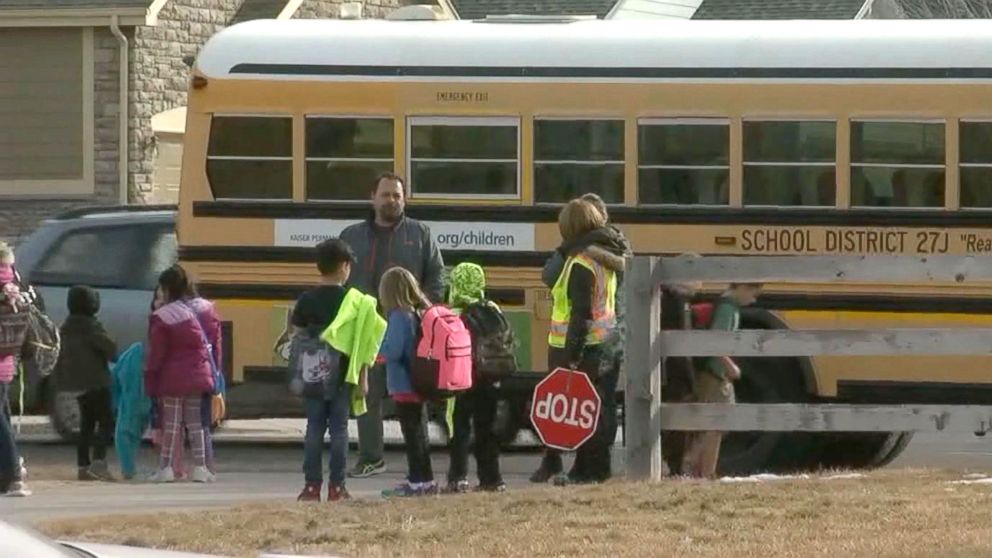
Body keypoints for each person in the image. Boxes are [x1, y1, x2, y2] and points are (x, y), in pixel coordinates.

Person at [340, 172, 445, 479]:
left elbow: (437, 276)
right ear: (372, 198)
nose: (391, 201)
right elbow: (340, 278)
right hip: (366, 331)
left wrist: (425, 313)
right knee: (366, 395)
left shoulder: (420, 234)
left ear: (404, 199)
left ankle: (420, 466)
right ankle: (371, 457)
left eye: (397, 195)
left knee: (413, 399)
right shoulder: (351, 235)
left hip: (409, 331)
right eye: (385, 195)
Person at [532, 195, 631, 484]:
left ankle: (586, 470)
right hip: (607, 342)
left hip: (582, 348)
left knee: (582, 410)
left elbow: (580, 313)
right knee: (601, 408)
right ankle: (594, 468)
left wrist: (572, 355)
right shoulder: (607, 257)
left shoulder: (580, 263)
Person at [291, 239, 364, 502]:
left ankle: (311, 487)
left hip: (312, 375)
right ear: (344, 266)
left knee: (313, 429)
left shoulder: (306, 299)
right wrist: (363, 378)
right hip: (343, 376)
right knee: (340, 431)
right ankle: (337, 486)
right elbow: (361, 345)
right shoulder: (353, 301)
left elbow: (297, 336)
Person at [145, 265, 222, 484]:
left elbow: (157, 354)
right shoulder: (200, 311)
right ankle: (201, 467)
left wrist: (150, 380)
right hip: (199, 376)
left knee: (172, 425)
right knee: (196, 424)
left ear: (167, 288)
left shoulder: (164, 317)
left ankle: (166, 468)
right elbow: (212, 345)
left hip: (171, 379)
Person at [682, 282, 763, 479]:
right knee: (716, 424)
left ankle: (699, 468)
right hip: (715, 375)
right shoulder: (727, 310)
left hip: (716, 374)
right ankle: (698, 467)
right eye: (753, 293)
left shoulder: (726, 306)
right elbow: (716, 343)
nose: (754, 300)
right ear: (741, 287)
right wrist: (730, 366)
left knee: (718, 424)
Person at [444, 262, 508, 494]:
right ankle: (492, 479)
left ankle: (458, 477)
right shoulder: (492, 308)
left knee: (459, 428)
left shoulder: (453, 313)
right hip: (490, 376)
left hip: (461, 378)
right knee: (487, 429)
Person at [378, 267, 437, 497]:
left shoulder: (398, 316)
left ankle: (416, 482)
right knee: (420, 434)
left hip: (403, 384)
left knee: (412, 436)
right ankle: (426, 480)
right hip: (419, 382)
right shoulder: (417, 313)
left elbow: (393, 350)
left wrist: (376, 352)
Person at [54, 286, 118, 481]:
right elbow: (110, 349)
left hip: (76, 383)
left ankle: (83, 466)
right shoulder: (91, 327)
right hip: (97, 381)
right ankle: (99, 463)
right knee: (106, 423)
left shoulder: (66, 328)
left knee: (86, 426)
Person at [0, 241, 32, 497]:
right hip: (7, 360)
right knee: (3, 417)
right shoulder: (12, 282)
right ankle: (7, 475)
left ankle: (12, 474)